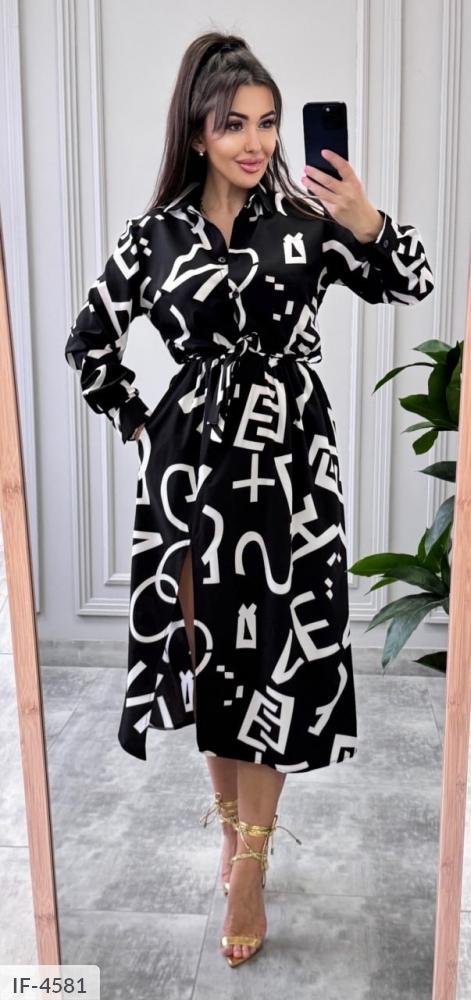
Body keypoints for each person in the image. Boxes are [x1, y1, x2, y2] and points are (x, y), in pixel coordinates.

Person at [64, 30, 434, 969]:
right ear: (197, 132)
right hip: (189, 479)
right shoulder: (153, 238)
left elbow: (411, 280)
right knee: (213, 656)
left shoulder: (307, 224)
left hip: (289, 473)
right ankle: (230, 829)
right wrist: (147, 429)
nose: (256, 142)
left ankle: (252, 866)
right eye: (234, 124)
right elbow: (89, 347)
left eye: (268, 123)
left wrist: (365, 219)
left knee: (272, 656)